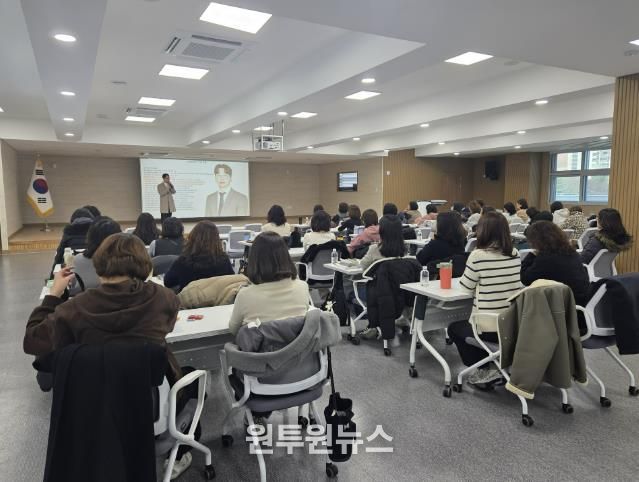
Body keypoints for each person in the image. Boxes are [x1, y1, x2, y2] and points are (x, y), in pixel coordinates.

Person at [24, 233, 197, 477]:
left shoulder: (75, 308)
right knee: (194, 381)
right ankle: (181, 449)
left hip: (92, 411)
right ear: (143, 264)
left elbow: (33, 341)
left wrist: (53, 295)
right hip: (149, 406)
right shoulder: (163, 298)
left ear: (99, 264)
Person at [448, 212, 522, 387]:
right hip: (513, 323)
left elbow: (466, 287)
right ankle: (493, 365)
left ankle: (485, 368)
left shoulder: (478, 255)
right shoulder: (515, 253)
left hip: (489, 326)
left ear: (483, 231)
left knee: (455, 328)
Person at [229, 232, 310, 336]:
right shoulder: (302, 287)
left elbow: (233, 330)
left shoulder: (245, 295)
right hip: (298, 345)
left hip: (260, 346)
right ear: (285, 256)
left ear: (254, 260)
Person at [359, 215, 408, 339]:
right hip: (402, 294)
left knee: (353, 291)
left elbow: (362, 266)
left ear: (382, 231)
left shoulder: (374, 249)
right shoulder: (405, 250)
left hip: (379, 296)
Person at [522, 221, 590, 306]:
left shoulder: (546, 258)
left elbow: (525, 279)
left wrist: (532, 254)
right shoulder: (572, 252)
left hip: (564, 307)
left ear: (537, 240)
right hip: (581, 302)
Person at [164, 221, 234, 291]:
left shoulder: (183, 261)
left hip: (190, 297)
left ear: (193, 238)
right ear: (217, 239)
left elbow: (168, 282)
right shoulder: (224, 260)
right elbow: (232, 281)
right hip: (218, 297)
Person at [71, 217, 122, 293]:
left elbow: (72, 284)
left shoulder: (77, 260)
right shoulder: (126, 262)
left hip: (83, 299)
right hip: (120, 299)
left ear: (90, 238)